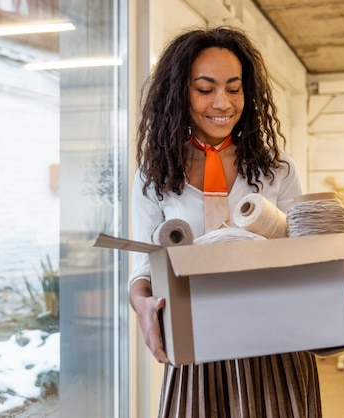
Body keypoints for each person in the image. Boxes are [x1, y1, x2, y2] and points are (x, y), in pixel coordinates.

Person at [128, 26, 321, 417]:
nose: (223, 102)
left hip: (275, 344)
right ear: (180, 93)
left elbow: (303, 251)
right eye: (205, 89)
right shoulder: (154, 177)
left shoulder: (277, 171)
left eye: (234, 89)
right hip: (198, 347)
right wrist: (144, 306)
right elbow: (142, 270)